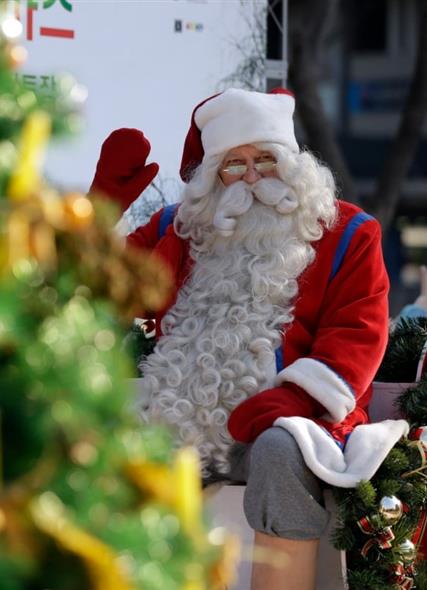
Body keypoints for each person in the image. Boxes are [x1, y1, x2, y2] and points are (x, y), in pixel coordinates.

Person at [90, 88, 408, 590]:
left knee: (281, 450)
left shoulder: (348, 231)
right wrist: (98, 211)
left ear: (292, 163)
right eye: (234, 165)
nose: (253, 177)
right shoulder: (182, 229)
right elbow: (101, 291)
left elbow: (358, 333)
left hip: (297, 416)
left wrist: (296, 398)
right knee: (109, 445)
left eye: (265, 159)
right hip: (187, 411)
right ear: (213, 176)